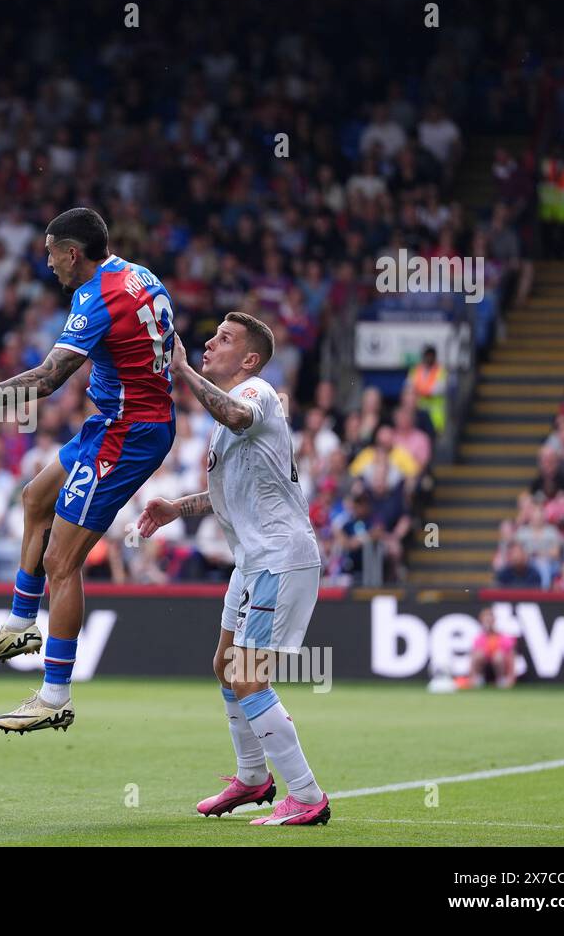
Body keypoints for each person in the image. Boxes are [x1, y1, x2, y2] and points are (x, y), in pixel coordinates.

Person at [0, 207, 176, 734]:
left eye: (52, 253)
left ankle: (55, 694)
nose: (48, 263)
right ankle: (19, 624)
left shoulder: (95, 297)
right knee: (35, 498)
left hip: (127, 432)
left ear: (73, 252)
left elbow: (48, 378)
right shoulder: (137, 274)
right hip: (115, 421)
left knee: (61, 561)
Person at [137, 314, 330, 827]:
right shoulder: (226, 423)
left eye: (224, 339)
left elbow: (237, 417)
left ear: (248, 359)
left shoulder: (258, 393)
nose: (208, 342)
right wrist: (179, 508)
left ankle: (307, 796)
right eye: (213, 336)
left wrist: (182, 371)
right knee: (227, 666)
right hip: (252, 560)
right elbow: (233, 494)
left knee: (248, 676)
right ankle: (252, 778)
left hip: (280, 557)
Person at [463, 607, 518, 689]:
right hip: (485, 669)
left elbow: (511, 658)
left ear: (494, 621)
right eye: (485, 620)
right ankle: (477, 679)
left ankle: (501, 680)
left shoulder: (504, 637)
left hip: (500, 667)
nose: (488, 622)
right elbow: (473, 658)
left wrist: (511, 677)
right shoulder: (479, 638)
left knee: (498, 656)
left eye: (490, 620)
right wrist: (471, 677)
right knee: (478, 654)